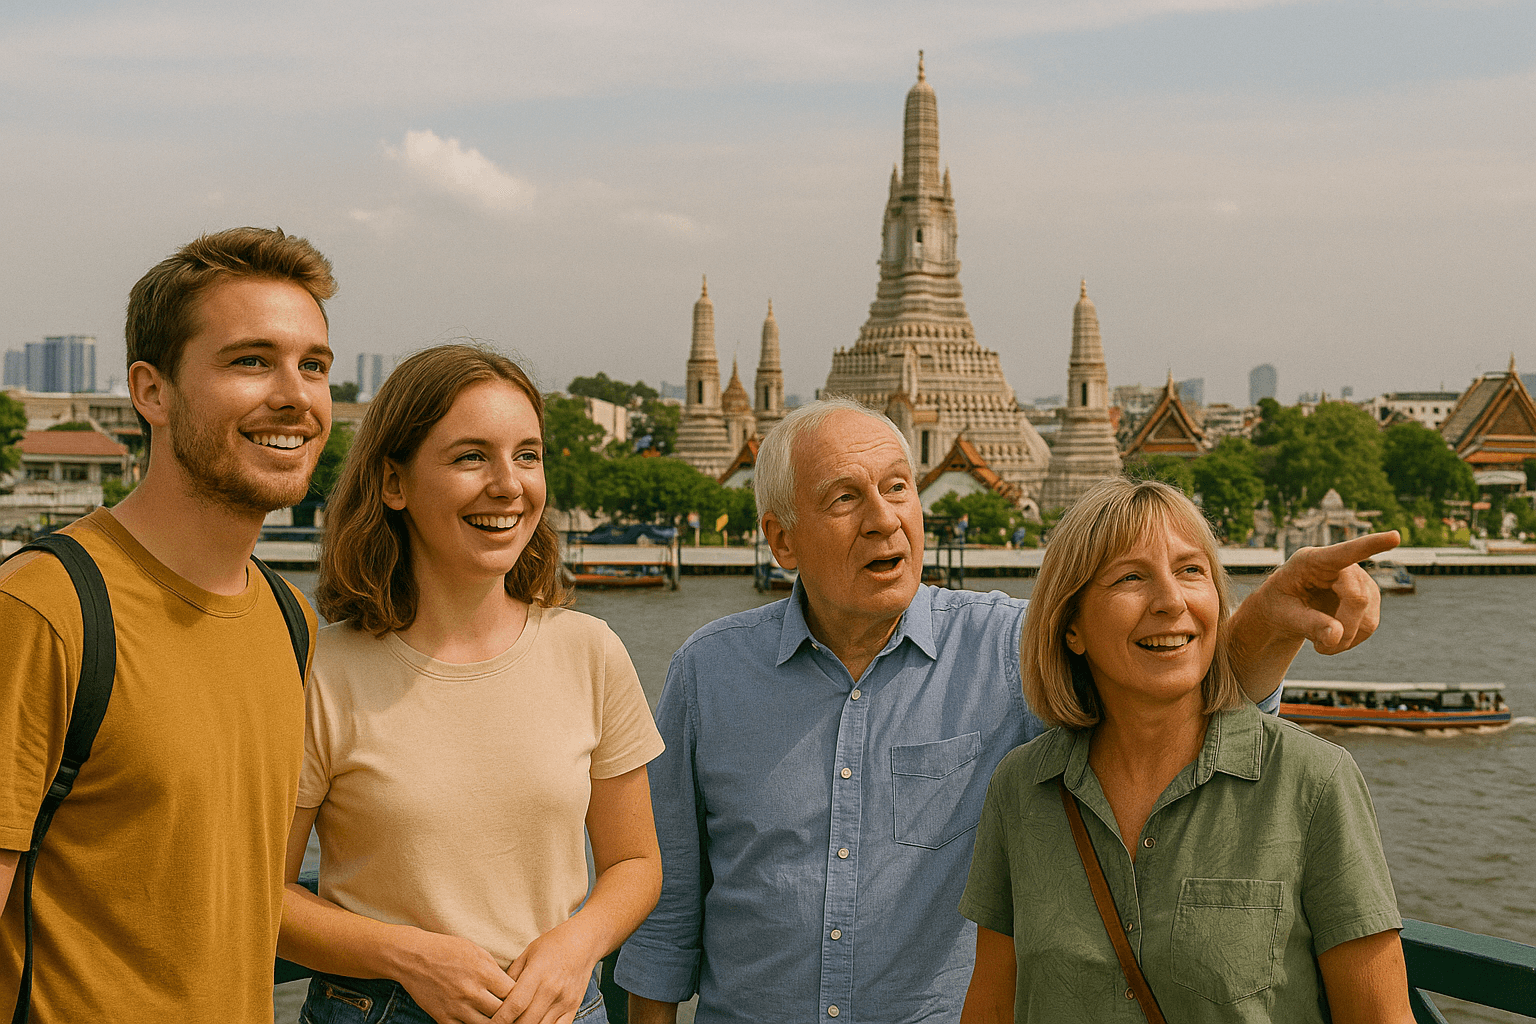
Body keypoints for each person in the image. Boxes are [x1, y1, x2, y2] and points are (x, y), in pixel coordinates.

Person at [616, 398, 1399, 1024]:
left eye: (898, 488)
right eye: (845, 499)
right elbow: (670, 892)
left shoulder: (1004, 647)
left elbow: (1172, 692)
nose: (885, 519)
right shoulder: (710, 672)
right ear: (782, 540)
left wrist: (1269, 612)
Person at [0, 227, 336, 1021]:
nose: (295, 394)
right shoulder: (45, 610)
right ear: (151, 392)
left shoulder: (289, 621)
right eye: (251, 360)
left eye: (313, 365)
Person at [278, 344, 664, 1024]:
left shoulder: (591, 650)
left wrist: (577, 945)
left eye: (527, 455)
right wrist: (407, 955)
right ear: (394, 484)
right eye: (470, 457)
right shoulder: (323, 670)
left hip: (562, 1005)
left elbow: (634, 862)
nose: (509, 484)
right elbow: (260, 896)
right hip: (380, 1008)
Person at [958, 478, 1411, 1023]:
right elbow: (990, 1008)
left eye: (1192, 571)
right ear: (1071, 627)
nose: (1171, 601)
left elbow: (1380, 1016)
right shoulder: (1023, 787)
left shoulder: (1310, 781)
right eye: (1131, 578)